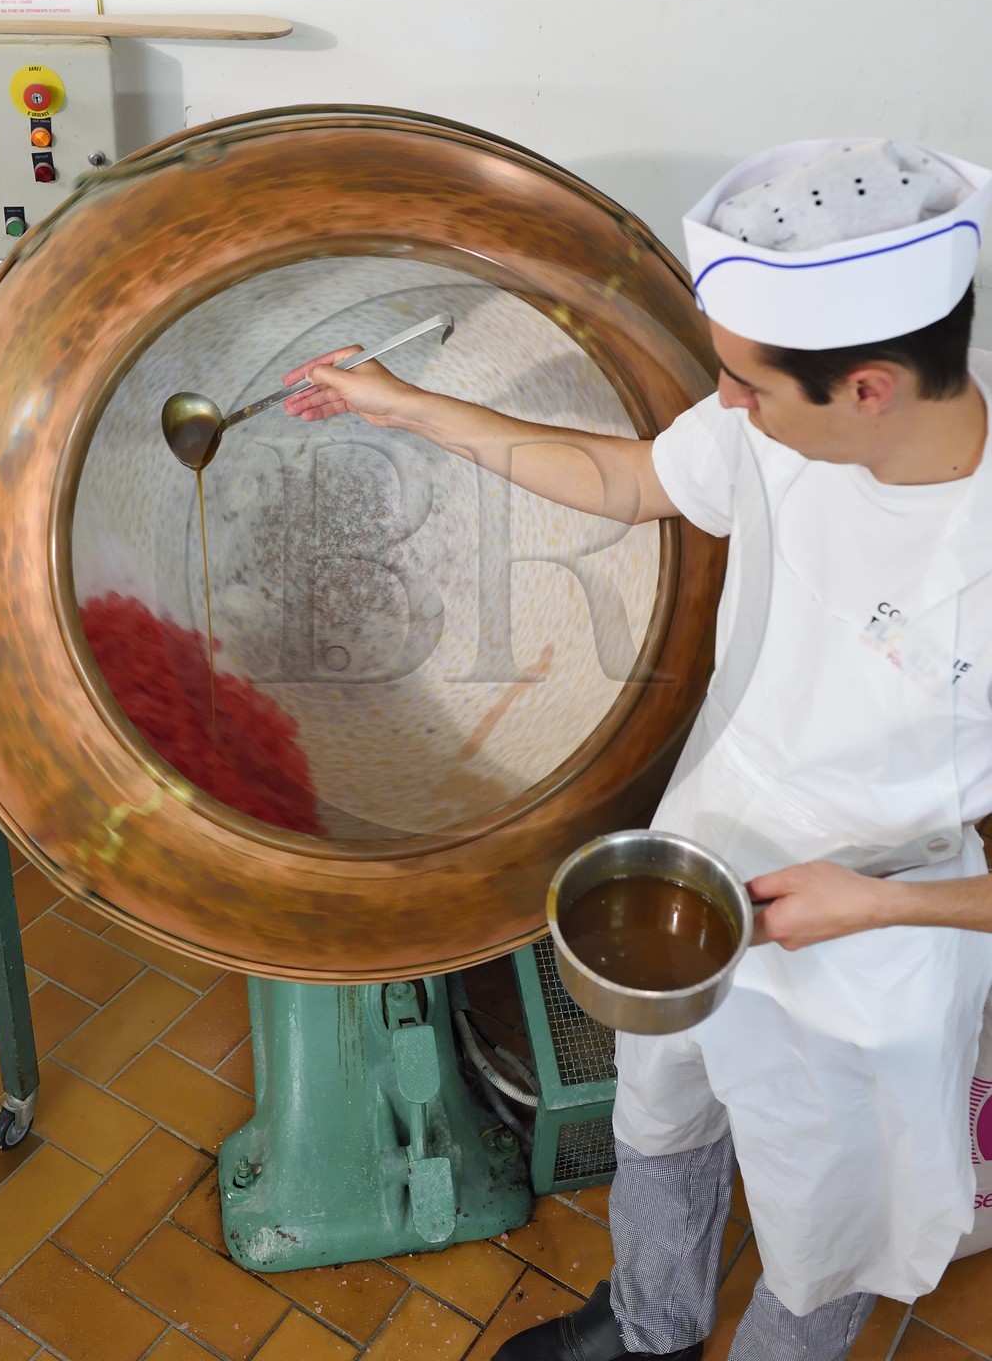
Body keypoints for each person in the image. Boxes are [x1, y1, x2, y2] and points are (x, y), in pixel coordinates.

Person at [283, 138, 992, 1361]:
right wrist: (408, 407)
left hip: (868, 930)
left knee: (822, 1218)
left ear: (870, 386)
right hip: (700, 856)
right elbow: (625, 480)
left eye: (747, 381)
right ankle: (649, 1323)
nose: (723, 400)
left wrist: (875, 904)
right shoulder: (780, 427)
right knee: (659, 1119)